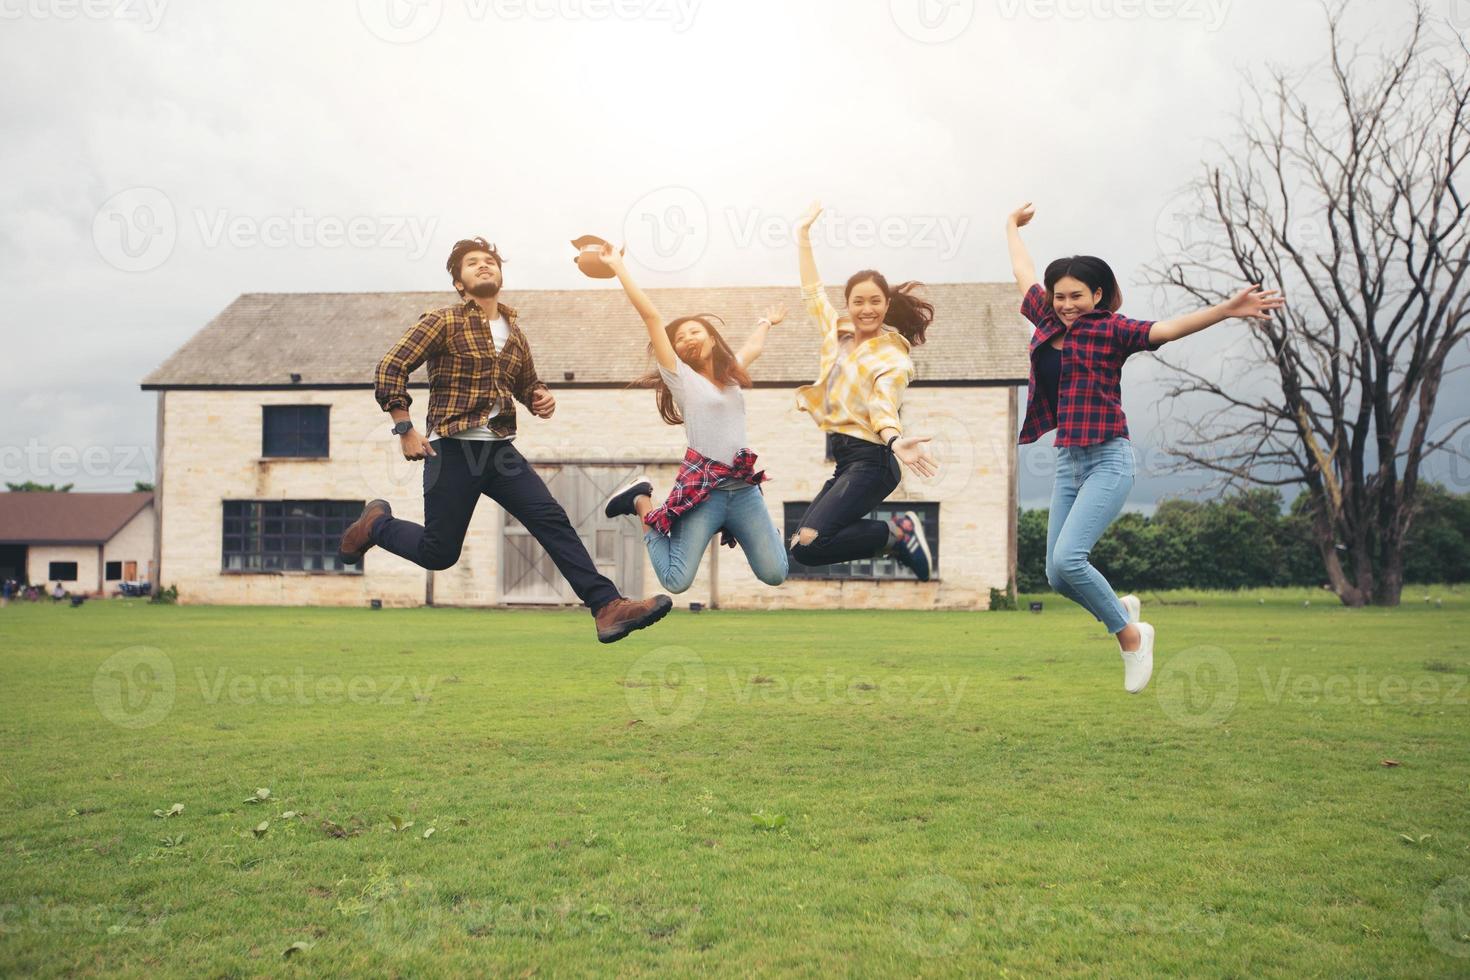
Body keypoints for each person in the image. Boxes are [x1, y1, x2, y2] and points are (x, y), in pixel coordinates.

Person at [1005, 202, 1285, 693]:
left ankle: (1131, 636)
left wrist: (1226, 309)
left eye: (1077, 295)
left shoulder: (1112, 329)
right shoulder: (1046, 321)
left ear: (1097, 294)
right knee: (1055, 575)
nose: (1067, 304)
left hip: (1109, 459)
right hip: (1069, 463)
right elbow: (1023, 271)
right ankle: (1124, 608)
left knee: (1071, 559)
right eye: (1060, 296)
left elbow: (1168, 330)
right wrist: (1009, 227)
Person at [337, 237, 673, 644]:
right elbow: (391, 366)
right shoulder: (443, 321)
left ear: (500, 274)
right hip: (453, 448)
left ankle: (605, 607)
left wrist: (540, 397)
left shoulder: (515, 333)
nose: (484, 266)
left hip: (498, 450)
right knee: (439, 553)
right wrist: (404, 427)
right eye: (473, 263)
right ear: (459, 283)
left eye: (490, 262)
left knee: (551, 519)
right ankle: (376, 526)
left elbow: (526, 384)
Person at [596, 243, 789, 593]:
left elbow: (753, 348)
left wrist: (766, 322)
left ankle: (759, 532)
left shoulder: (731, 374)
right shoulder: (680, 378)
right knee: (676, 580)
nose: (686, 339)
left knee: (776, 572)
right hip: (704, 492)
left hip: (744, 491)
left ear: (712, 340)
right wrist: (618, 268)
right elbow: (652, 317)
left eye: (694, 332)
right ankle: (641, 500)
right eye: (680, 338)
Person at [789, 201, 938, 581]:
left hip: (873, 458)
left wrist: (893, 440)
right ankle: (894, 540)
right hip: (845, 458)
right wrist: (803, 236)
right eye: (858, 301)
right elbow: (811, 292)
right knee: (800, 548)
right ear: (848, 304)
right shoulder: (835, 333)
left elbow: (882, 404)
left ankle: (900, 533)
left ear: (887, 305)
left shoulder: (894, 359)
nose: (866, 309)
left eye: (875, 301)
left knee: (813, 542)